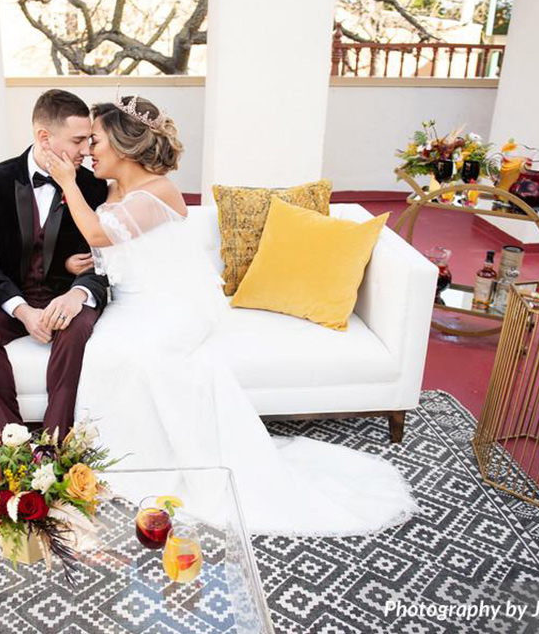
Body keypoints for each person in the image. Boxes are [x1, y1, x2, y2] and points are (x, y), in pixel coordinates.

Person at [39, 94, 418, 535]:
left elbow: (100, 234)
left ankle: (180, 471)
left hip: (176, 305)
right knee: (103, 354)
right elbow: (102, 249)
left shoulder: (158, 190)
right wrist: (71, 264)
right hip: (133, 304)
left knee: (149, 358)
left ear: (123, 145)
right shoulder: (109, 189)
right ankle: (130, 467)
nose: (88, 151)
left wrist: (66, 180)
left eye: (97, 141)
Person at [0, 89, 109, 440]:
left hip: (66, 295)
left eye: (88, 139)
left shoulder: (94, 187)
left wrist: (77, 288)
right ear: (44, 137)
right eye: (78, 140)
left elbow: (106, 262)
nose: (86, 150)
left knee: (76, 329)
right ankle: (10, 433)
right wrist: (22, 311)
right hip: (12, 295)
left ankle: (55, 442)